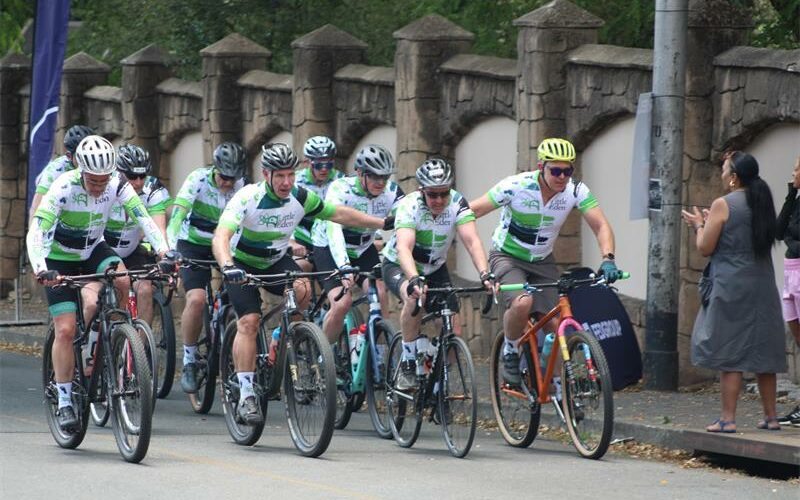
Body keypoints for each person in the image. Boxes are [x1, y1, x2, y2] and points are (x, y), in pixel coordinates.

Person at [211, 142, 387, 425]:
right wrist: (228, 265)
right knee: (250, 321)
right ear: (266, 174)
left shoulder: (299, 197)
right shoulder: (248, 197)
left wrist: (380, 222)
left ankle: (279, 340)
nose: (286, 182)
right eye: (279, 176)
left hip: (276, 259)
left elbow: (338, 214)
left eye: (290, 175)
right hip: (241, 263)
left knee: (303, 289)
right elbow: (221, 236)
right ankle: (246, 395)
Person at [26, 135, 171, 431]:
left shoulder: (116, 183)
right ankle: (65, 399)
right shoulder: (64, 186)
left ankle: (117, 333)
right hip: (59, 259)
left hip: (94, 249)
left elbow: (143, 217)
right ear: (80, 169)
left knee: (123, 278)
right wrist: (41, 267)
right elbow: (37, 230)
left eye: (103, 180)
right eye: (93, 181)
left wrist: (165, 252)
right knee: (65, 330)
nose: (99, 186)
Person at [469, 137, 621, 389]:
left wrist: (608, 259)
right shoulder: (515, 186)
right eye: (556, 170)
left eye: (567, 170)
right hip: (507, 256)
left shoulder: (575, 190)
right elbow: (471, 211)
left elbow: (601, 225)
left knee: (556, 326)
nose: (562, 176)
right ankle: (510, 351)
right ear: (541, 167)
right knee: (523, 302)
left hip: (542, 261)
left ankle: (555, 382)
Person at [681, 150, 786, 432]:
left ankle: (727, 419)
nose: (722, 174)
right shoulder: (763, 201)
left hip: (732, 284)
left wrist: (699, 225)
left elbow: (706, 247)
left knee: (730, 351)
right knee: (764, 352)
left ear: (734, 178)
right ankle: (771, 417)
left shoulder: (722, 204)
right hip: (762, 282)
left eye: (725, 170)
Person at [382, 159, 494, 391]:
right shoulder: (409, 206)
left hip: (435, 267)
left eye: (444, 194)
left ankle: (438, 385)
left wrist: (485, 273)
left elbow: (472, 241)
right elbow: (404, 247)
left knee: (453, 331)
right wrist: (413, 278)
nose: (439, 200)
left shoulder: (457, 203)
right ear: (422, 190)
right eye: (433, 195)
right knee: (414, 297)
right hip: (401, 265)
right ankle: (409, 362)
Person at [167, 142, 246, 394]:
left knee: (237, 300)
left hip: (226, 245)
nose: (227, 183)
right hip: (193, 244)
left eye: (232, 178)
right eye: (224, 177)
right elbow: (178, 214)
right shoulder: (197, 180)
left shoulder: (241, 185)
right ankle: (190, 359)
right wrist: (169, 248)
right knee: (197, 299)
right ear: (215, 169)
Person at [311, 144, 403, 345]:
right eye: (375, 176)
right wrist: (344, 267)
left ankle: (378, 354)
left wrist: (389, 253)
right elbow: (334, 231)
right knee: (342, 303)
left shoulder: (392, 192)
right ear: (360, 173)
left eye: (385, 177)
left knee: (380, 293)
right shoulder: (340, 188)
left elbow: (406, 223)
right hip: (328, 247)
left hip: (362, 248)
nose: (381, 182)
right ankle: (326, 358)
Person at [105, 144, 171, 325]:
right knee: (99, 294)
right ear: (119, 172)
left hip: (131, 250)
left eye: (143, 176)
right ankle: (112, 336)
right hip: (103, 250)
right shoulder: (107, 186)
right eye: (132, 176)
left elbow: (159, 229)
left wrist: (166, 257)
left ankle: (140, 348)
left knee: (145, 289)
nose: (139, 182)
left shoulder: (153, 189)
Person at [291, 136, 344, 271]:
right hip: (303, 235)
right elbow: (285, 212)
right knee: (301, 268)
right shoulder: (296, 181)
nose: (324, 169)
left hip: (328, 237)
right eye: (319, 165)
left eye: (329, 164)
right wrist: (291, 242)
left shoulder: (341, 180)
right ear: (309, 162)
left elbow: (358, 206)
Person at [774, 154, 800, 427]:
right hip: (791, 269)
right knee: (796, 333)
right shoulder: (797, 199)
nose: (794, 173)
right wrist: (792, 192)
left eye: (797, 169)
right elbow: (780, 230)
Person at [29, 125, 94, 220]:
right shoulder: (56, 169)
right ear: (69, 156)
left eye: (90, 154)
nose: (86, 160)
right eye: (80, 156)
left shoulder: (102, 164)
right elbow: (37, 208)